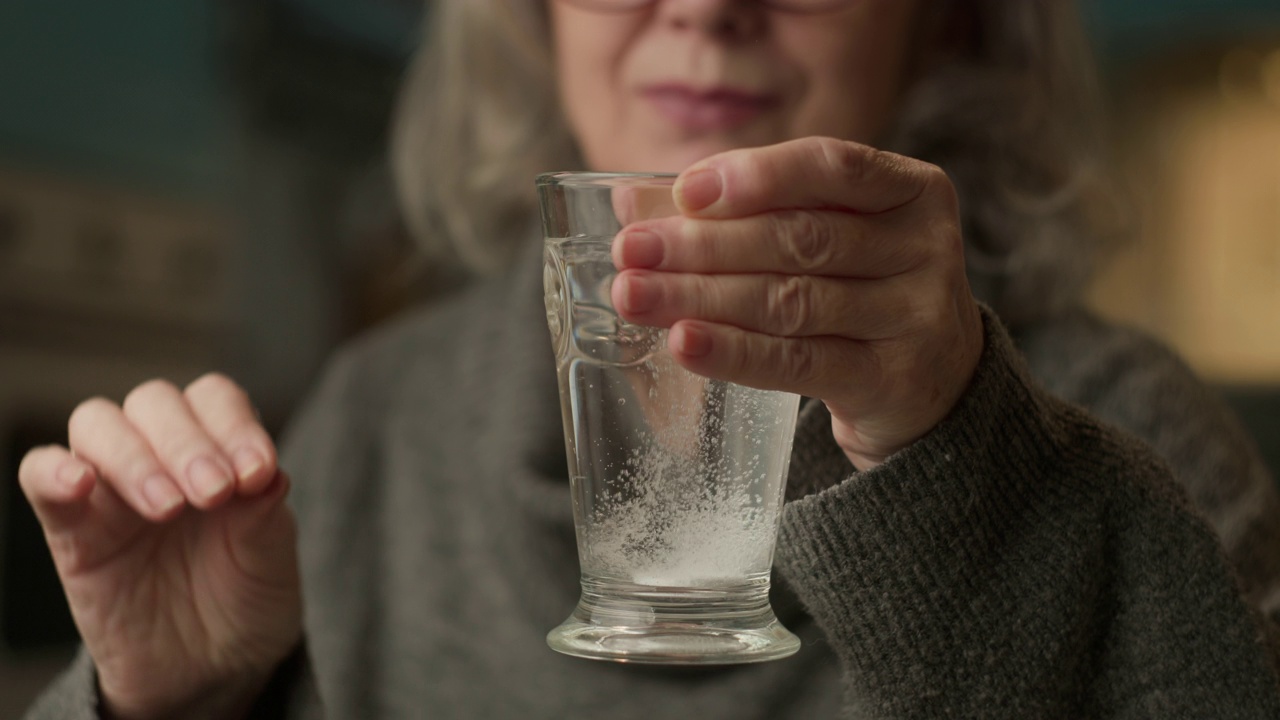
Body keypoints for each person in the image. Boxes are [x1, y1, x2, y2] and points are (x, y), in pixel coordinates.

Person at [20, 0, 1280, 717]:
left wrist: (963, 470)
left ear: (941, 20)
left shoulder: (1130, 441)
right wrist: (162, 709)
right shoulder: (370, 422)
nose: (703, 6)